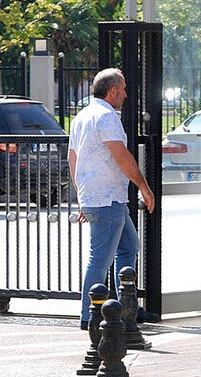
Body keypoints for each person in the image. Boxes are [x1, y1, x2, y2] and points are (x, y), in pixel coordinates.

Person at [68, 68, 158, 329]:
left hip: (102, 198)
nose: (126, 95)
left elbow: (73, 159)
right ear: (113, 91)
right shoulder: (107, 116)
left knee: (129, 248)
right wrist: (144, 186)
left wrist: (83, 194)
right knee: (100, 260)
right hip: (107, 199)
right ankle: (90, 316)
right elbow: (121, 155)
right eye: (124, 89)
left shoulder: (82, 116)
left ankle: (127, 308)